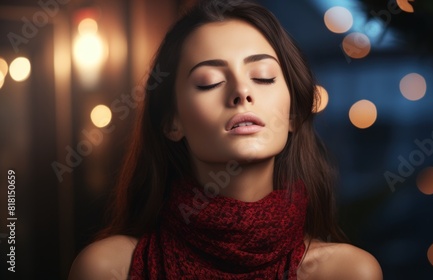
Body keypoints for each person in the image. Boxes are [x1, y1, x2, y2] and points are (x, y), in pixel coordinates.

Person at [68, 0, 383, 279]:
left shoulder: (348, 272)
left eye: (262, 76)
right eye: (210, 81)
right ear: (171, 121)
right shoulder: (109, 269)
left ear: (292, 115)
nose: (241, 92)